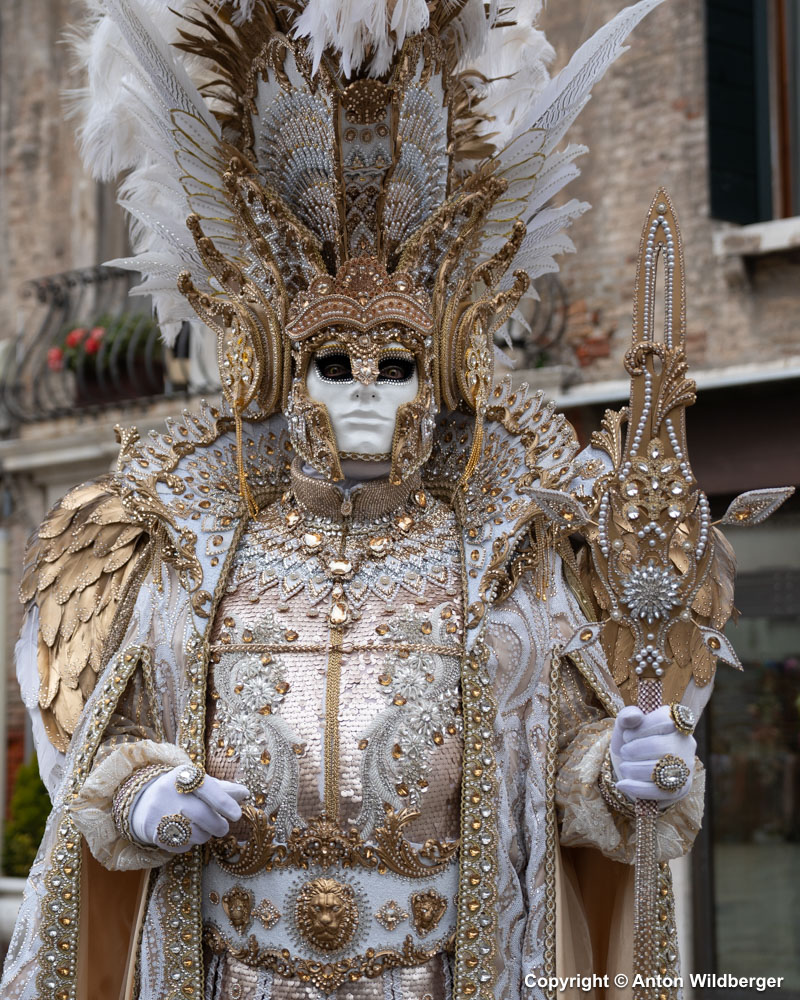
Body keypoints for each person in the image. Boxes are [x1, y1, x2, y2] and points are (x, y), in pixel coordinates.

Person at [0, 2, 717, 998]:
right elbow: (101, 757)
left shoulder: (503, 565)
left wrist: (619, 771)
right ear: (290, 380)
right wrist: (146, 799)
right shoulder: (193, 559)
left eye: (397, 364)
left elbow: (558, 767)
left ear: (435, 379)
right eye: (337, 364)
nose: (369, 389)